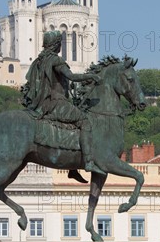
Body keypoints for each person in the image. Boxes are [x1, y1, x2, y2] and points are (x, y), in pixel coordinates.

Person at [22, 31, 104, 176]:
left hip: (43, 102)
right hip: (56, 102)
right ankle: (89, 162)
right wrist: (91, 76)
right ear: (55, 45)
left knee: (71, 125)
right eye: (59, 43)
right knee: (84, 122)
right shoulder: (55, 60)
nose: (60, 45)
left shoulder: (39, 61)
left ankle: (73, 168)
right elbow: (71, 76)